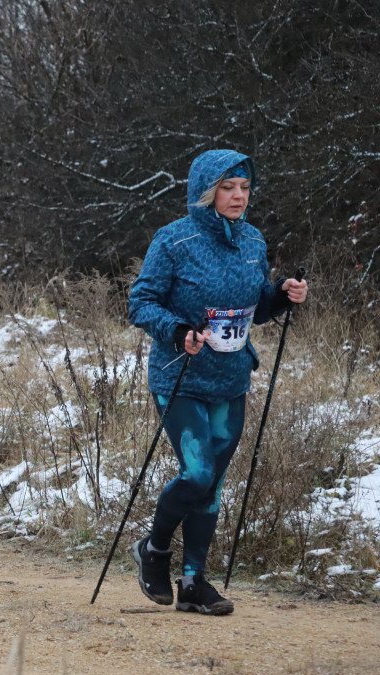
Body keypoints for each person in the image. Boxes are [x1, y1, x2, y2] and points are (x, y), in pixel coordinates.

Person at [128, 149, 308, 615]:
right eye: (228, 187)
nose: (238, 196)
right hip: (180, 377)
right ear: (207, 192)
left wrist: (283, 295)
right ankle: (154, 550)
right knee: (197, 473)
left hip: (230, 381)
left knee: (213, 485)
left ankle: (193, 583)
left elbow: (256, 307)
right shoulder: (174, 240)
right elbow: (141, 302)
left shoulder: (252, 241)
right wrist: (177, 331)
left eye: (244, 187)